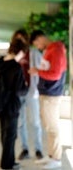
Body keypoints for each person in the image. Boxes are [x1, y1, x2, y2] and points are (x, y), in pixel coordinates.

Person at [28, 30, 67, 169]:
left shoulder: (56, 50)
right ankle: (51, 155)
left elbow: (55, 75)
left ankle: (56, 158)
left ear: (40, 38)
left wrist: (37, 71)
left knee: (52, 127)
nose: (38, 47)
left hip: (51, 95)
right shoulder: (51, 49)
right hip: (47, 93)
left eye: (36, 44)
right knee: (48, 126)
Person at [0, 39, 28, 170]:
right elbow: (20, 90)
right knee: (11, 135)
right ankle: (6, 165)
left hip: (0, 103)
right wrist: (26, 86)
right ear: (20, 52)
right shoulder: (16, 67)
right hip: (11, 105)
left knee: (5, 133)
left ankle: (10, 161)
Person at [11, 29, 43, 160]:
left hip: (31, 91)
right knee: (21, 122)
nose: (20, 41)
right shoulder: (14, 55)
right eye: (18, 39)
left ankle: (38, 149)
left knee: (35, 121)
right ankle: (24, 149)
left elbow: (42, 69)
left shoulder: (34, 53)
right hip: (18, 93)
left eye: (22, 38)